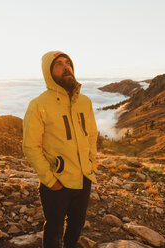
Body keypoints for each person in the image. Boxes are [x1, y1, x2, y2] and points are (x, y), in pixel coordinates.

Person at [22, 51, 98, 248]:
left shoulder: (85, 102)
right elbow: (30, 146)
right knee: (54, 230)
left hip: (83, 179)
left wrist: (91, 167)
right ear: (48, 72)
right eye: (58, 64)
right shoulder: (38, 105)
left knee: (76, 227)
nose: (66, 67)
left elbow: (91, 137)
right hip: (57, 183)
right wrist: (50, 180)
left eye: (68, 63)